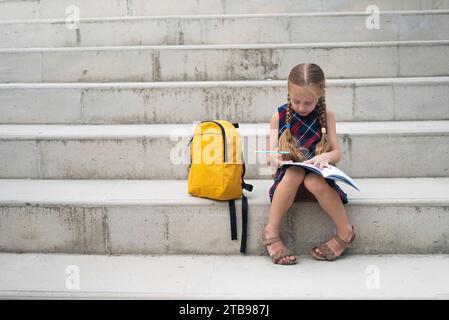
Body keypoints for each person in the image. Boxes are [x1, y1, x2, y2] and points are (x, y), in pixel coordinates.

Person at [262, 63, 355, 265]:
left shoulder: (326, 116)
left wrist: (326, 157)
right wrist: (275, 157)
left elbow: (336, 152)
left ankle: (345, 231)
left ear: (320, 95)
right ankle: (271, 231)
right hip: (289, 184)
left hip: (317, 180)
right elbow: (270, 155)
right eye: (296, 101)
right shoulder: (278, 117)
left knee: (313, 180)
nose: (301, 108)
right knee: (294, 173)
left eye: (308, 103)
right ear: (288, 92)